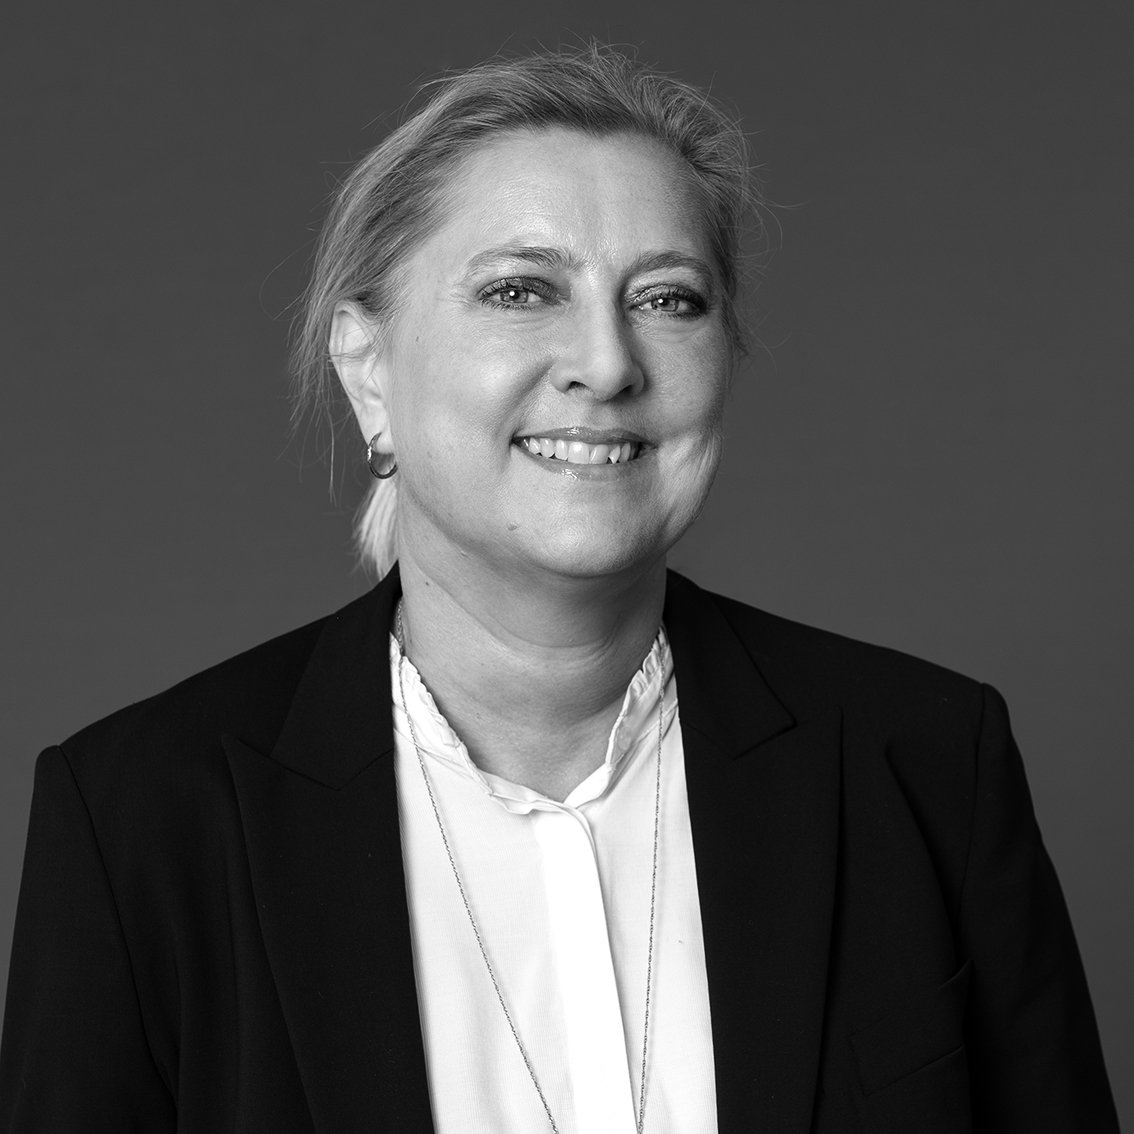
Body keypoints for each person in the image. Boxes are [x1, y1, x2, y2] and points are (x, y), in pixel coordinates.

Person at [0, 45, 1118, 1134]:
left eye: (668, 299)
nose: (609, 362)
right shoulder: (142, 816)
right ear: (368, 370)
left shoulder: (927, 766)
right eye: (521, 290)